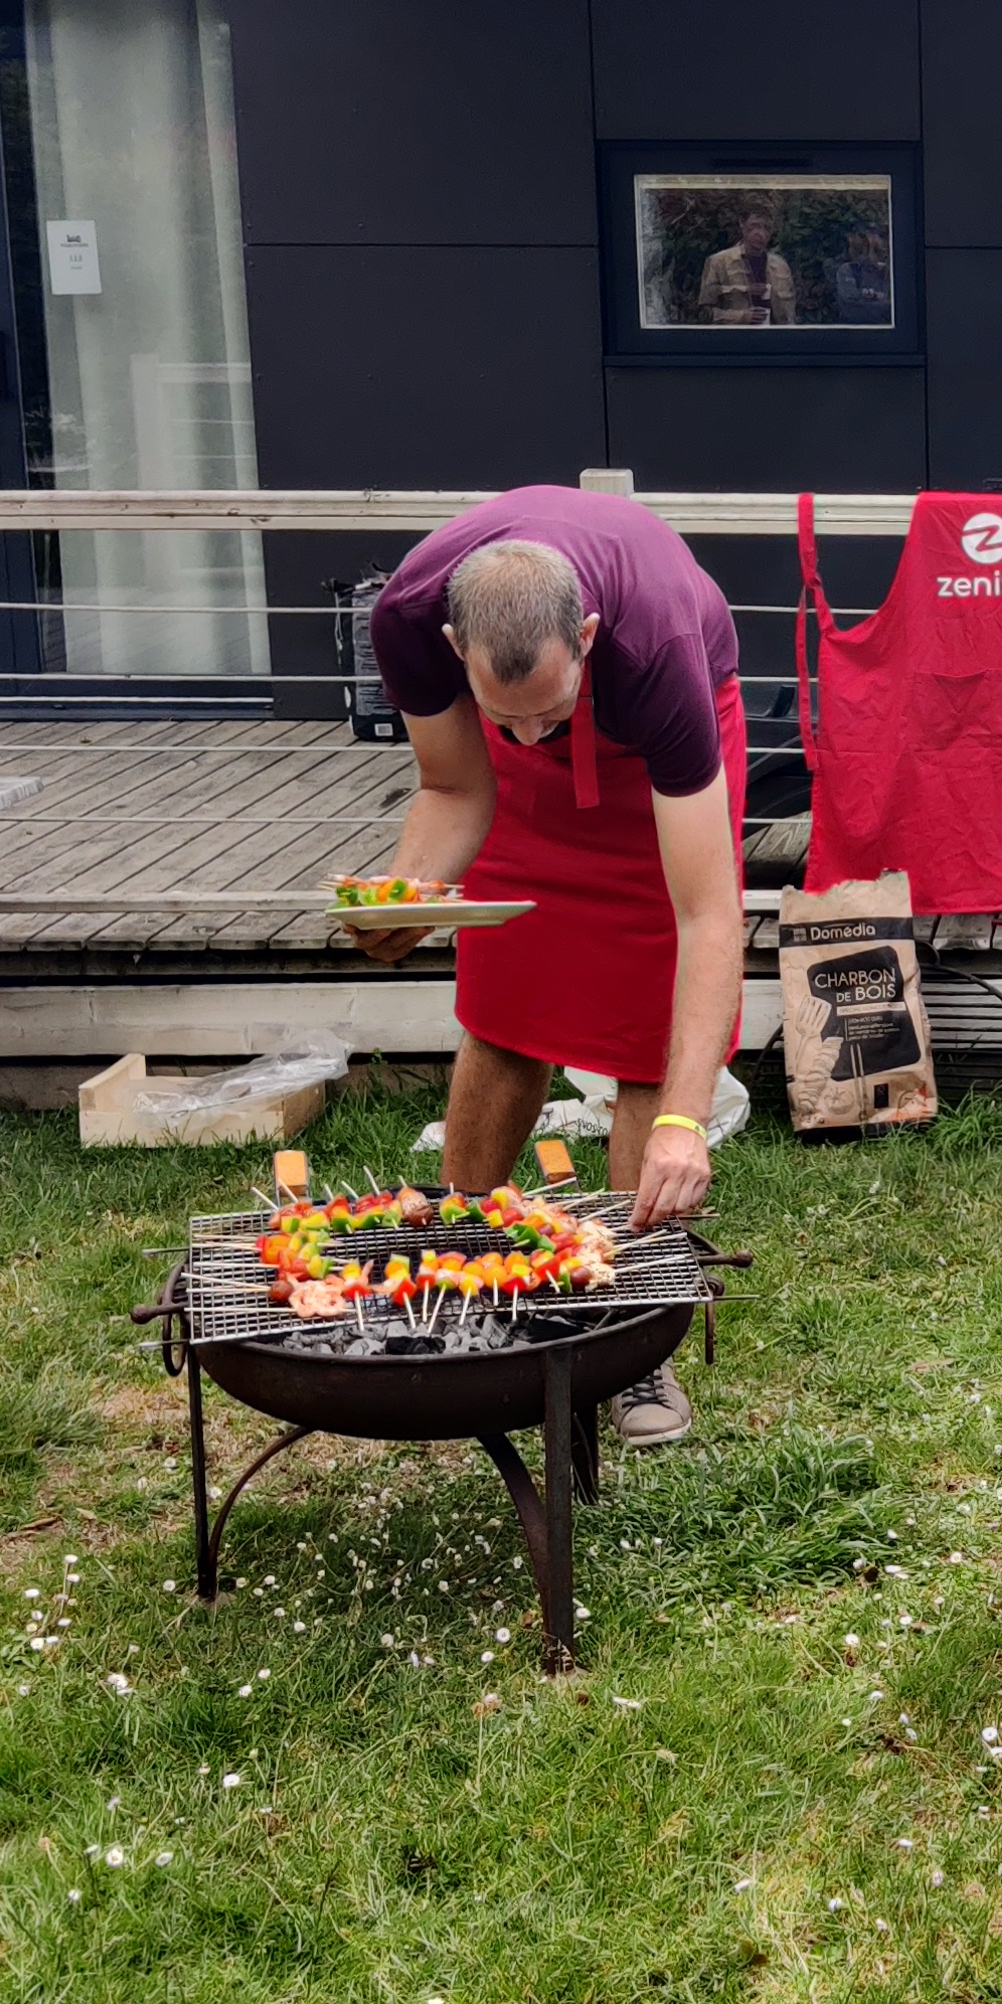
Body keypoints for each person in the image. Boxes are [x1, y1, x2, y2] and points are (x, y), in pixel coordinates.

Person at [345, 488, 749, 1444]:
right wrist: (407, 900)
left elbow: (708, 911)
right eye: (506, 713)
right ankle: (448, 1279)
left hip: (649, 756)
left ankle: (632, 1339)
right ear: (454, 650)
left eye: (547, 710)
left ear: (592, 634)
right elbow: (453, 785)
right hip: (518, 801)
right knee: (505, 1005)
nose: (530, 734)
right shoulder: (406, 618)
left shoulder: (653, 650)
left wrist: (690, 1121)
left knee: (643, 1034)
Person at [693, 202, 796, 326]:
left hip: (773, 340)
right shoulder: (718, 262)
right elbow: (704, 314)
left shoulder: (780, 266)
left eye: (767, 228)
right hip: (734, 340)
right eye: (755, 226)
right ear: (742, 224)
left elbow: (790, 316)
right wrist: (741, 317)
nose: (761, 234)